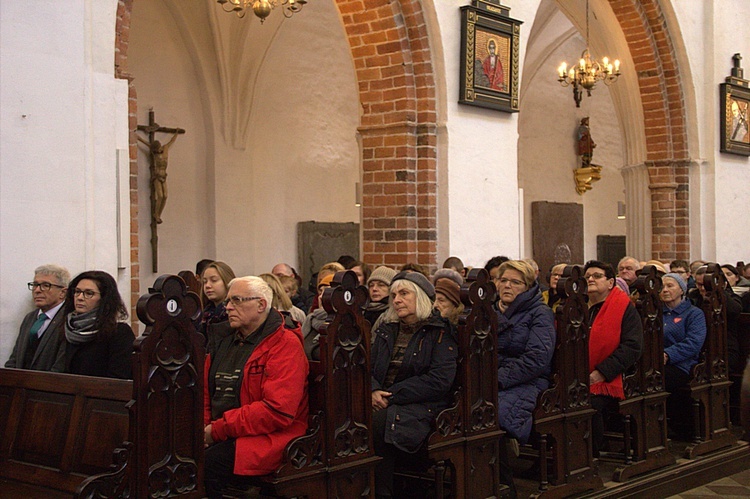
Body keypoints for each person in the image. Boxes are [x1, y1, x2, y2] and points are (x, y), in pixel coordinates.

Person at [203, 276, 308, 498]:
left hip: (272, 436)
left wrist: (218, 430)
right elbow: (206, 392)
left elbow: (276, 411)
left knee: (206, 464)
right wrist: (204, 428)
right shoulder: (223, 340)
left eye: (237, 300)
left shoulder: (285, 344)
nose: (229, 307)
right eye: (229, 301)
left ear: (261, 305)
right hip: (225, 431)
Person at [370, 272, 457, 498]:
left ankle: (383, 492)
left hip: (423, 406)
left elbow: (439, 381)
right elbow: (366, 368)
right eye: (394, 295)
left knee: (378, 422)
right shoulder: (386, 330)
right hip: (382, 400)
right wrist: (371, 390)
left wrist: (389, 395)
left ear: (419, 296)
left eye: (404, 293)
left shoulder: (439, 332)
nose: (396, 300)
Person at [495, 260, 555, 492]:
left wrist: (498, 378)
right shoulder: (489, 311)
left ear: (529, 286)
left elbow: (537, 358)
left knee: (492, 416)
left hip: (528, 381)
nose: (507, 286)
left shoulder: (540, 313)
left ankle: (504, 486)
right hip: (491, 378)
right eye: (504, 280)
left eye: (515, 282)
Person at [583, 260, 643, 455]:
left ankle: (588, 455)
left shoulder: (624, 308)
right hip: (578, 374)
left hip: (614, 376)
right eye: (587, 276)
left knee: (589, 404)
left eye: (597, 276)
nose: (591, 279)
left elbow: (632, 347)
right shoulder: (578, 308)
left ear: (610, 283)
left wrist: (602, 372)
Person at [52, 270, 134, 379]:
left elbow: (119, 378)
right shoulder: (67, 328)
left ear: (104, 299)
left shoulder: (119, 333)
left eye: (88, 293)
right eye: (77, 291)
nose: (80, 297)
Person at [6, 264, 70, 371]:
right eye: (35, 285)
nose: (37, 290)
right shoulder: (30, 318)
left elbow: (61, 366)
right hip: (20, 384)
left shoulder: (67, 320)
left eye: (46, 285)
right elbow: (15, 358)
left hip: (48, 384)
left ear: (62, 292)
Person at [689, 265, 744, 374]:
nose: (703, 289)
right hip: (700, 347)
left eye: (707, 285)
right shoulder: (694, 297)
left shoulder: (730, 297)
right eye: (699, 285)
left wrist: (718, 292)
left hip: (725, 348)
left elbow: (735, 310)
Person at [661, 273, 706, 394]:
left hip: (681, 365)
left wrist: (667, 355)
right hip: (654, 363)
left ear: (681, 290)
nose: (665, 290)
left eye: (670, 286)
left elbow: (694, 342)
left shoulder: (693, 313)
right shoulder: (654, 312)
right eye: (662, 287)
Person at [200, 261, 236, 348]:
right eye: (205, 282)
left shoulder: (234, 314)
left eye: (214, 280)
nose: (208, 285)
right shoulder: (204, 314)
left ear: (227, 281)